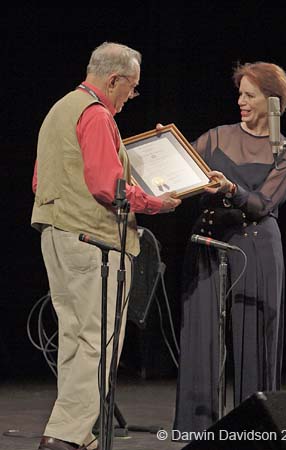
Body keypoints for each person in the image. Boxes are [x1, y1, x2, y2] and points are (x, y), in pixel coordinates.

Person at [31, 41, 181, 450]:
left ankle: (72, 435)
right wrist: (156, 204)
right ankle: (66, 438)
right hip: (93, 242)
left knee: (77, 338)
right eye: (130, 88)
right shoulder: (96, 116)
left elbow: (40, 181)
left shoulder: (61, 108)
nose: (131, 97)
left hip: (58, 235)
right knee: (98, 342)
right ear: (113, 79)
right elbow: (107, 187)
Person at [173, 62, 286, 436]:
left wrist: (230, 189)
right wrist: (166, 151)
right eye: (239, 94)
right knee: (201, 336)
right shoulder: (216, 137)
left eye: (250, 95)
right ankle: (196, 430)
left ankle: (253, 429)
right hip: (210, 243)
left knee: (256, 337)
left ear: (272, 102)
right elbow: (182, 171)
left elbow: (261, 205)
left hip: (257, 249)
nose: (240, 101)